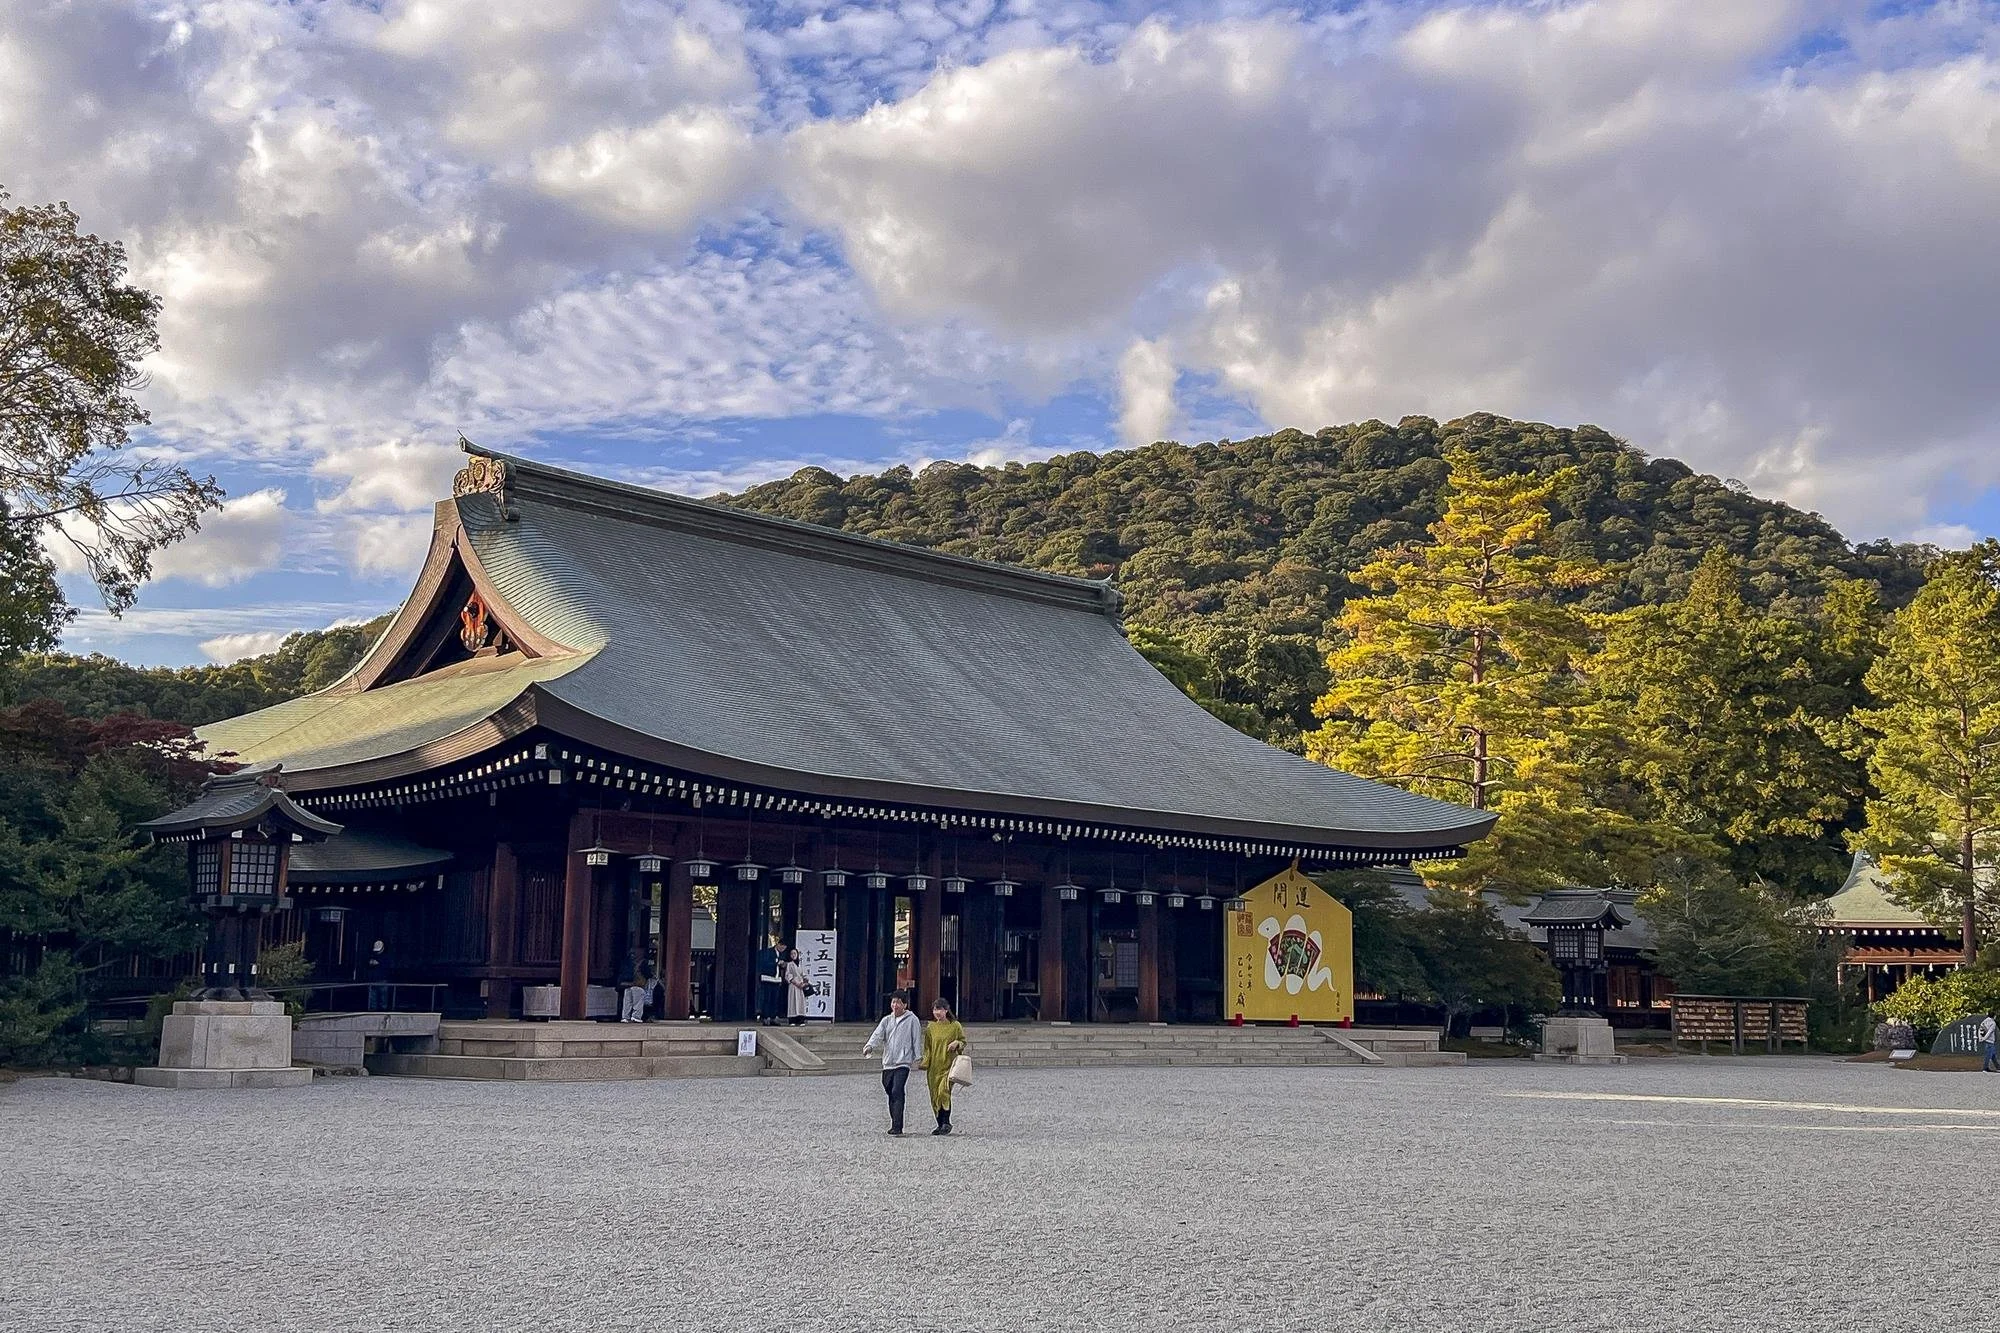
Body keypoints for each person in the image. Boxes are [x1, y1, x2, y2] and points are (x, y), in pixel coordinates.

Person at [861, 991, 924, 1135]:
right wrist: (869, 1046)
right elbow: (878, 1034)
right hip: (888, 1062)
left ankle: (897, 1126)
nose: (895, 1005)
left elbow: (916, 1038)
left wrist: (917, 1057)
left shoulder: (912, 1020)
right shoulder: (886, 1020)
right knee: (889, 1090)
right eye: (893, 1002)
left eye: (898, 1002)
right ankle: (894, 1121)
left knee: (897, 1090)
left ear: (905, 1005)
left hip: (903, 1062)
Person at [924, 999, 968, 1136]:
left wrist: (957, 1043)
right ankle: (939, 1123)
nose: (937, 1012)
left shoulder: (955, 1026)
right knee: (935, 1095)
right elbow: (927, 1047)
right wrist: (925, 1062)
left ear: (946, 1010)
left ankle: (946, 1122)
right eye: (935, 1009)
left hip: (949, 1064)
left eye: (940, 1009)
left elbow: (963, 1041)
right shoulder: (930, 1028)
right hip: (934, 1066)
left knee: (944, 1091)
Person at [755, 937, 785, 1026]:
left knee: (774, 999)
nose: (782, 949)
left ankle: (773, 1017)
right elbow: (764, 964)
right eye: (782, 947)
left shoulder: (781, 954)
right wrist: (776, 963)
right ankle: (766, 1017)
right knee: (767, 998)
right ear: (778, 944)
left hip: (776, 979)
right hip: (767, 978)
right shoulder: (768, 952)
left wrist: (782, 965)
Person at [784, 947, 810, 1026]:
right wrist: (795, 982)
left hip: (801, 986)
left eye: (795, 953)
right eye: (792, 954)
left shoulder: (800, 964)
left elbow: (804, 974)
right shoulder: (789, 964)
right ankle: (792, 1020)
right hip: (793, 985)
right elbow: (787, 975)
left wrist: (805, 982)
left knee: (800, 1003)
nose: (793, 955)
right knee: (793, 1002)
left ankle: (801, 1020)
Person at [365, 939, 389, 1011]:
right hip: (373, 980)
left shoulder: (386, 958)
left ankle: (382, 1012)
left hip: (382, 980)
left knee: (383, 1000)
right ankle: (372, 1011)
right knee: (373, 1001)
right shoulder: (371, 956)